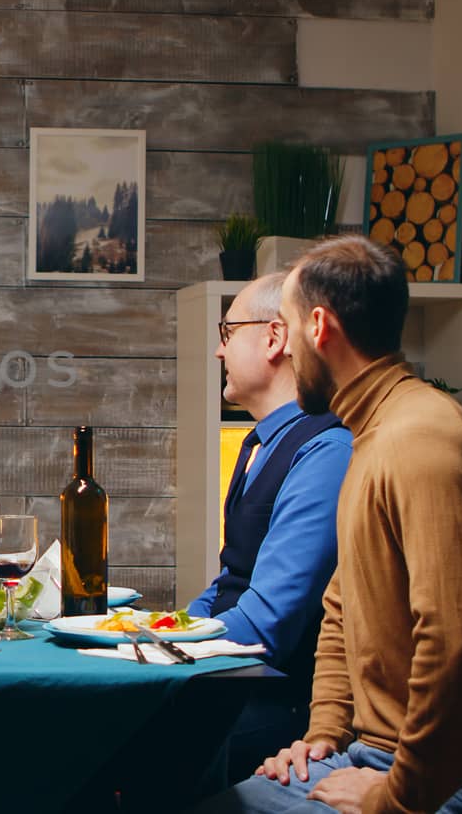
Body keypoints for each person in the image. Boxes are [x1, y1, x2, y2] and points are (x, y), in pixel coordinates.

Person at [192, 236, 462, 814]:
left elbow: (458, 645)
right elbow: (341, 609)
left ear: (318, 326)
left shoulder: (418, 443)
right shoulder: (370, 435)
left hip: (458, 782)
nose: (282, 348)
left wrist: (396, 797)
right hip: (371, 753)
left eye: (283, 327)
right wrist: (321, 737)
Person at [186, 272, 351, 783]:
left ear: (275, 338)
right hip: (235, 680)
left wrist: (161, 649)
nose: (218, 351)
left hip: (278, 702)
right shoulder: (259, 443)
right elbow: (231, 578)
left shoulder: (326, 451)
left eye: (227, 332)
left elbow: (270, 622)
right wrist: (173, 627)